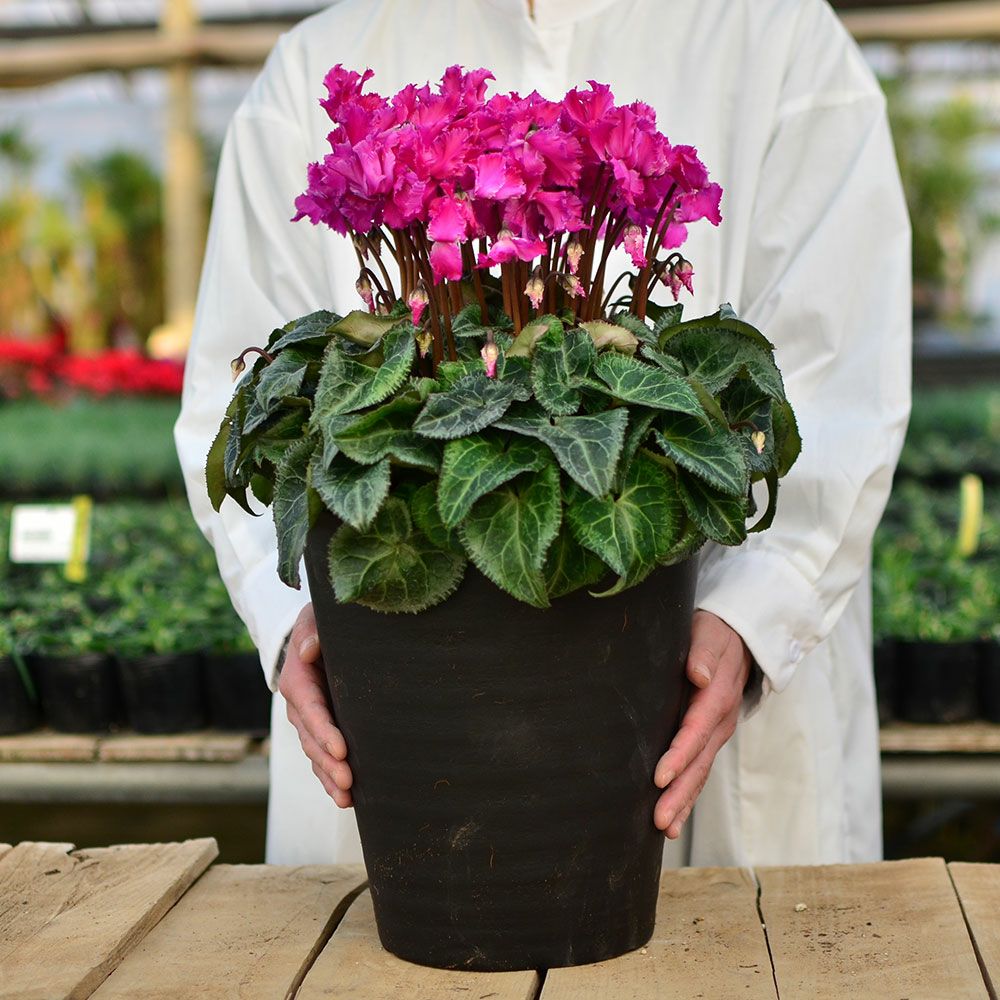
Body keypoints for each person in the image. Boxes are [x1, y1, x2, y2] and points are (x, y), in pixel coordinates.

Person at [176, 0, 911, 867]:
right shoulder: (311, 66)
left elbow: (841, 379)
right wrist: (292, 619)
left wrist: (756, 612)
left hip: (713, 696)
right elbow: (244, 398)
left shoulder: (784, 38)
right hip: (394, 701)